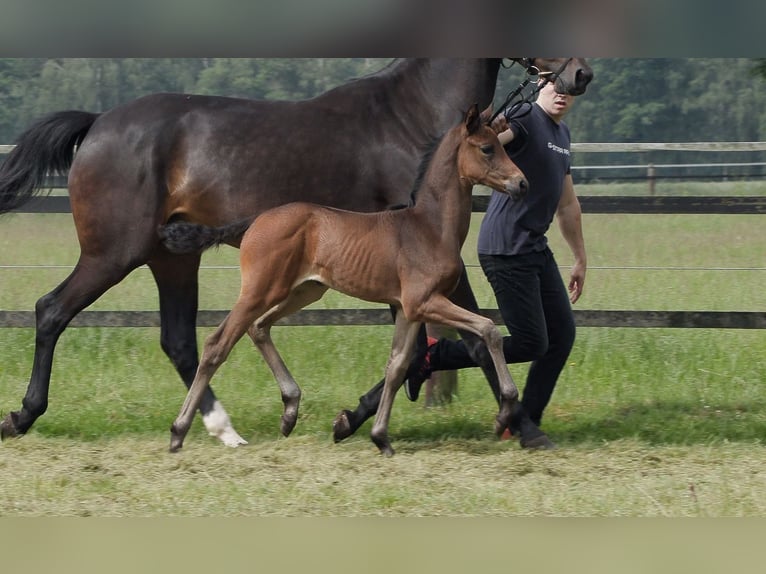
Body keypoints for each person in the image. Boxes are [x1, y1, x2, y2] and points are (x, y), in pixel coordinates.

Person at [332, 76, 587, 449]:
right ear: (537, 83)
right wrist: (490, 132)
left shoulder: (561, 137)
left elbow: (567, 204)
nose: (562, 93)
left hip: (536, 246)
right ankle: (441, 362)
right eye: (553, 84)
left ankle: (524, 418)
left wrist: (580, 257)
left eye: (570, 89)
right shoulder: (525, 117)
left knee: (562, 336)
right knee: (534, 342)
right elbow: (480, 148)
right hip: (506, 246)